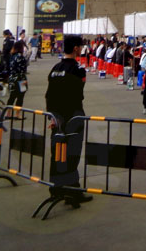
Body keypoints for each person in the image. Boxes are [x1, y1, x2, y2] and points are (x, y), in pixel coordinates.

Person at [45, 34, 93, 206]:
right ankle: (73, 192)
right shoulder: (78, 69)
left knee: (56, 153)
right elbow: (77, 94)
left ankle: (56, 189)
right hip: (73, 117)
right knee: (72, 155)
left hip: (57, 119)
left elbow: (49, 95)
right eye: (80, 46)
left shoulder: (55, 68)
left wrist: (52, 116)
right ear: (75, 48)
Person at [6, 40, 29, 110]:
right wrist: (25, 80)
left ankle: (8, 112)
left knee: (12, 96)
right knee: (20, 97)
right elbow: (22, 69)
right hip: (20, 79)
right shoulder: (21, 57)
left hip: (12, 78)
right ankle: (17, 113)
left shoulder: (12, 56)